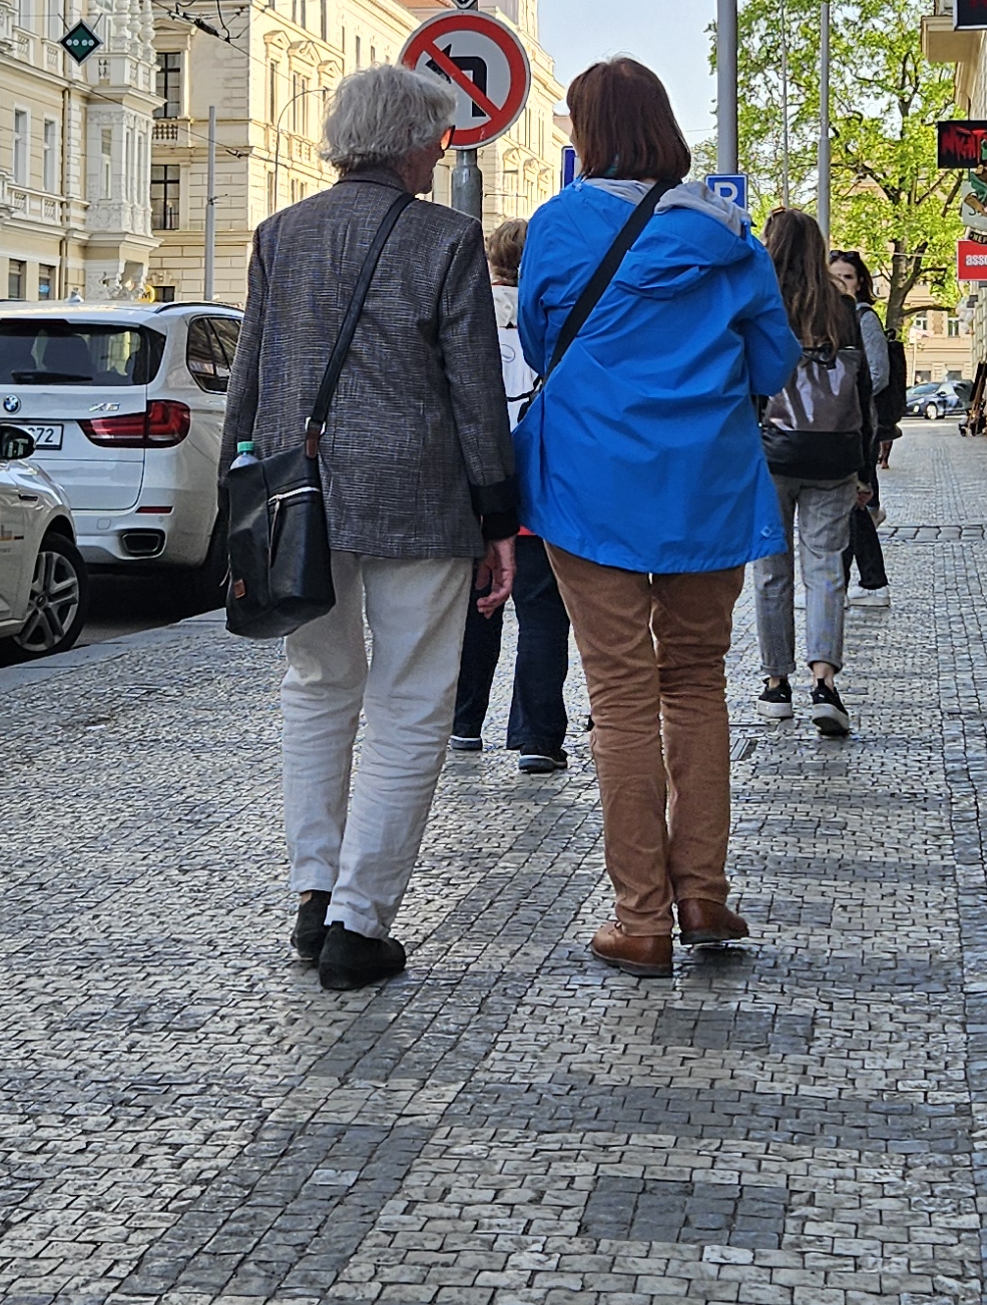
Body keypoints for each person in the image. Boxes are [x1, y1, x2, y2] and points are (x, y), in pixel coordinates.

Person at [225, 59, 517, 993]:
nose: (441, 153)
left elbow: (250, 376)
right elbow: (475, 392)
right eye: (437, 137)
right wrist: (499, 514)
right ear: (409, 143)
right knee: (412, 698)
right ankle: (359, 922)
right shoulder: (446, 239)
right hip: (419, 497)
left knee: (316, 685)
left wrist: (240, 494)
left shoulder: (280, 233)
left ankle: (314, 893)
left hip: (296, 494)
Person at [514, 59, 794, 976]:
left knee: (620, 693)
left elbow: (543, 344)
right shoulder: (729, 235)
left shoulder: (558, 225)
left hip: (587, 482)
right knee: (698, 683)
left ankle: (641, 919)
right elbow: (774, 365)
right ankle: (703, 893)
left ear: (587, 133)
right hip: (705, 484)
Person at [449, 218, 573, 771]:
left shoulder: (465, 314)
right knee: (543, 611)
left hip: (475, 482)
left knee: (477, 602)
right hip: (541, 482)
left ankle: (464, 723)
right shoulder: (556, 317)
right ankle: (537, 738)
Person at [750, 211, 874, 738]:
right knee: (826, 570)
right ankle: (824, 682)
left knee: (771, 571)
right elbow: (863, 393)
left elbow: (744, 383)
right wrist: (865, 467)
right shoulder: (841, 308)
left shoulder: (760, 303)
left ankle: (777, 684)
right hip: (834, 454)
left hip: (770, 454)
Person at [829, 247, 905, 613]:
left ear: (860, 283)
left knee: (850, 504)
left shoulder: (863, 317)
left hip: (859, 424)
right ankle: (864, 584)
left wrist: (842, 398)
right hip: (836, 425)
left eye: (847, 277)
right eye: (834, 277)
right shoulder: (828, 317)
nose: (840, 283)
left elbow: (877, 373)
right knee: (850, 505)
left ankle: (850, 585)